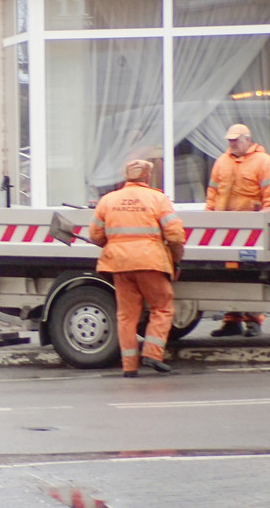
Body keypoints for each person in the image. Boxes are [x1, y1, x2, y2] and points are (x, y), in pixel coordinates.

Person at [89, 159, 186, 377]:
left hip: (119, 264)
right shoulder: (157, 198)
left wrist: (113, 243)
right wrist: (176, 258)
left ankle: (129, 367)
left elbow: (95, 235)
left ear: (126, 177)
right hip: (150, 262)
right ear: (147, 177)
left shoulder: (108, 200)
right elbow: (175, 234)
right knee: (161, 307)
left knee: (126, 316)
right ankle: (152, 354)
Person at [205, 123, 270, 338]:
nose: (232, 143)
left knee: (250, 276)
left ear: (248, 139)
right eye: (230, 140)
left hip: (251, 230)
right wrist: (208, 216)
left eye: (236, 139)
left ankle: (253, 321)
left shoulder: (264, 162)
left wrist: (265, 221)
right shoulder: (221, 162)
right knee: (228, 277)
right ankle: (231, 321)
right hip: (224, 228)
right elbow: (212, 192)